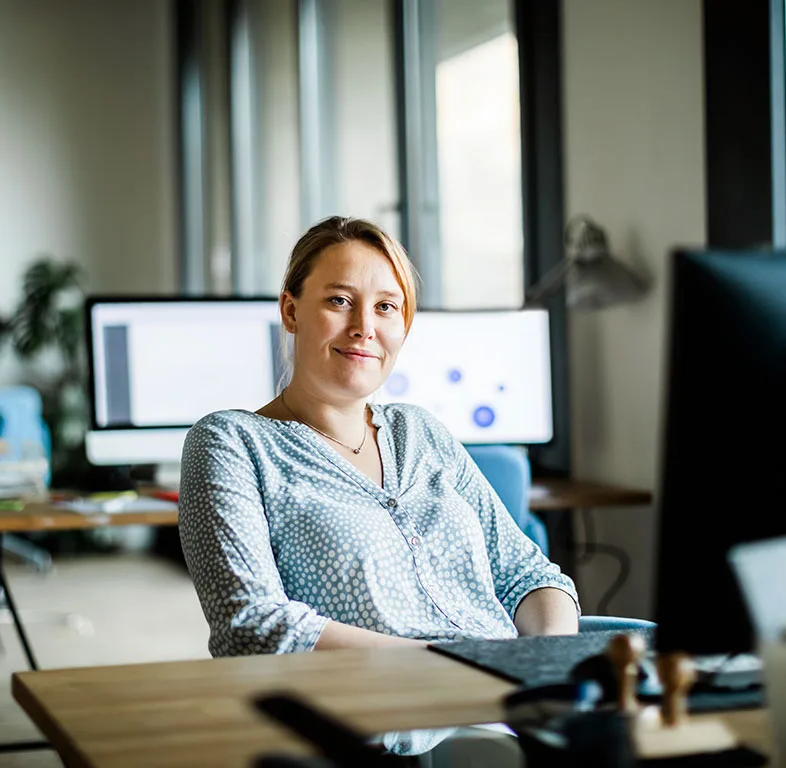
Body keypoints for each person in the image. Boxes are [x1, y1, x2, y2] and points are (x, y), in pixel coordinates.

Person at [179, 216, 579, 661]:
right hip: (384, 715)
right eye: (339, 300)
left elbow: (527, 574)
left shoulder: (421, 432)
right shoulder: (232, 443)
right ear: (291, 311)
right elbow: (253, 628)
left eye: (386, 306)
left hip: (515, 697)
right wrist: (457, 666)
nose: (363, 326)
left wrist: (549, 663)